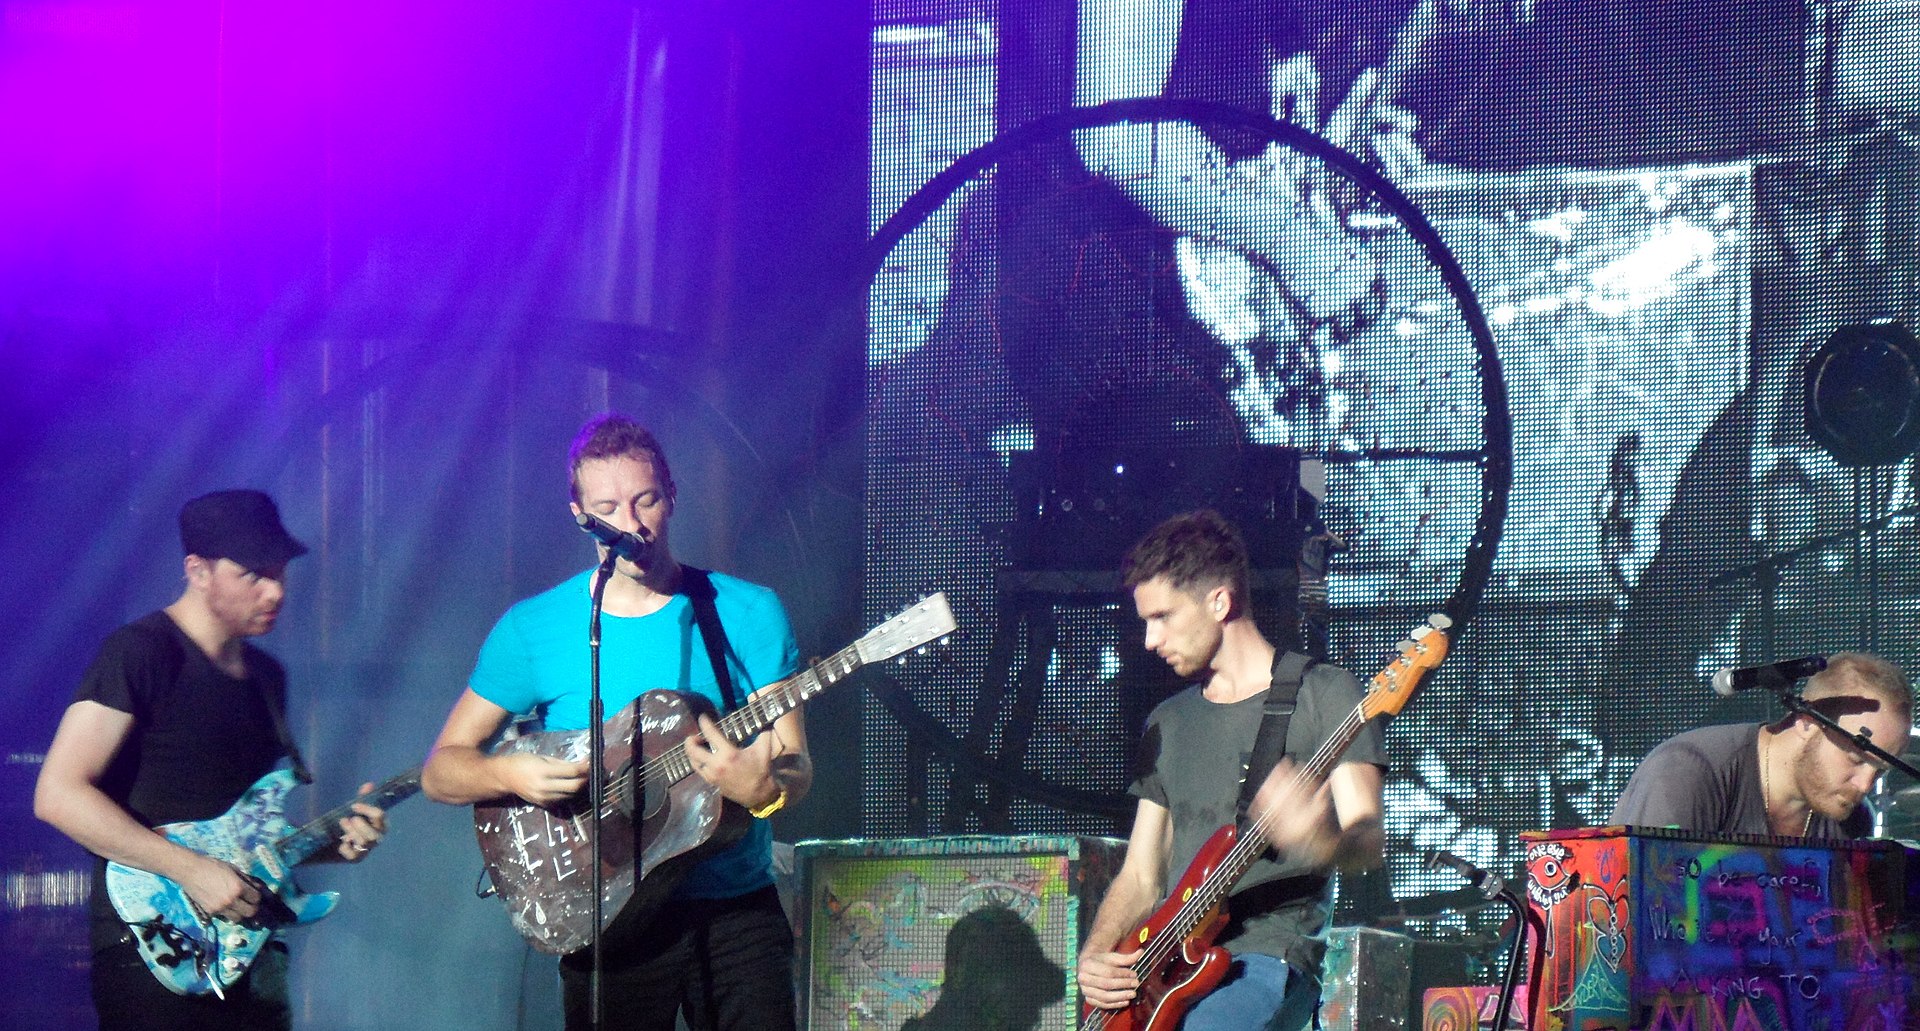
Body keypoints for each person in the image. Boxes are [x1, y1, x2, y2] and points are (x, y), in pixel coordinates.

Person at [422, 413, 811, 1031]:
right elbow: (441, 772)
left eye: (645, 500)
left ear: (672, 496)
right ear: (580, 515)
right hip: (606, 920)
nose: (631, 525)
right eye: (607, 509)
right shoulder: (533, 629)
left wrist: (763, 792)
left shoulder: (748, 611)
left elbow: (794, 761)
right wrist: (512, 775)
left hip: (734, 911)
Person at [33, 489, 390, 1031]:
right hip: (156, 949)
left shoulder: (267, 678)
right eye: (253, 575)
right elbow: (58, 795)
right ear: (198, 571)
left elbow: (242, 836)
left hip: (253, 953)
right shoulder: (140, 652)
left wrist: (335, 846)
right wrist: (192, 871)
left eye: (280, 572)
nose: (276, 590)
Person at [1077, 509, 1385, 1031]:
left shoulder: (1325, 693)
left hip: (1266, 958)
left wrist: (1318, 839)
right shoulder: (1169, 721)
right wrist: (1098, 954)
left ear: (1219, 602)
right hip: (1164, 970)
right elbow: (1142, 874)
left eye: (1163, 617)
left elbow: (1369, 841)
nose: (1149, 640)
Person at [1609, 652, 1912, 838]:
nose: (1864, 785)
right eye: (1856, 759)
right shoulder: (1689, 772)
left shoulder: (1851, 821)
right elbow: (1645, 904)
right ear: (1805, 722)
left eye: (1880, 770)